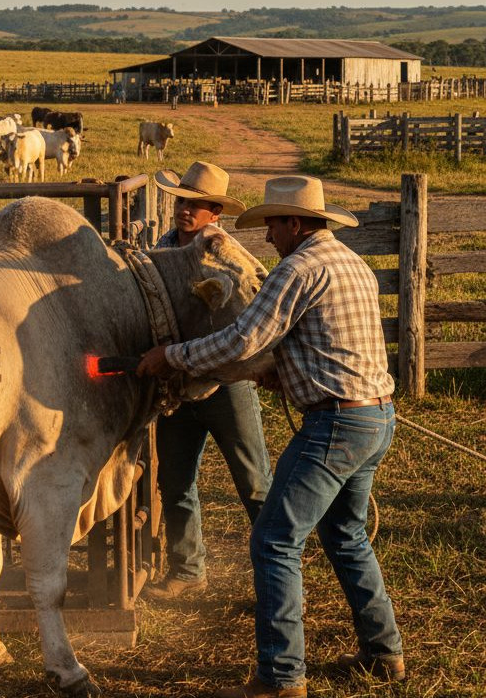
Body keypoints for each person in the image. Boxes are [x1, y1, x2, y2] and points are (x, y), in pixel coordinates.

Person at [138, 175, 404, 698]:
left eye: (275, 225)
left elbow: (242, 338)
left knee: (274, 540)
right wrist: (286, 371)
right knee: (344, 534)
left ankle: (282, 677)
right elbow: (331, 341)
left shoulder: (298, 269)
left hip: (336, 423)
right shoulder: (352, 264)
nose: (268, 237)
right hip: (375, 416)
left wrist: (170, 356)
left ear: (296, 223)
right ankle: (383, 650)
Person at [145, 162, 271, 601]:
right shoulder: (160, 248)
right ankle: (187, 569)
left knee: (253, 481)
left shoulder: (226, 253)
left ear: (214, 212)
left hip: (224, 382)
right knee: (175, 480)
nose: (186, 211)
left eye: (197, 205)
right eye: (182, 202)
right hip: (178, 383)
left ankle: (275, 577)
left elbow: (257, 297)